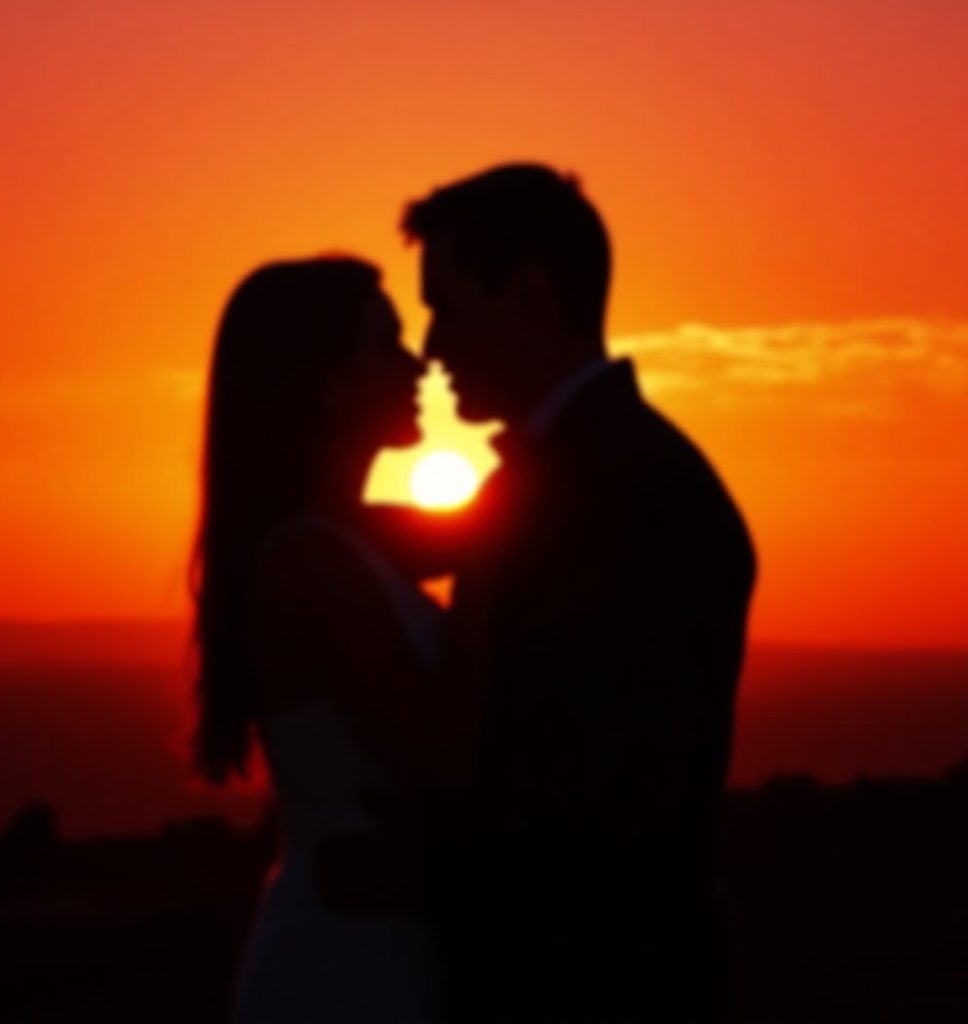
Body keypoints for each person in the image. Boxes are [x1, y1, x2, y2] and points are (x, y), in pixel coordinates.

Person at [403, 164, 757, 1022]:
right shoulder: (577, 478)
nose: (431, 347)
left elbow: (595, 799)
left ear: (528, 296)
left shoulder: (642, 495)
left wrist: (403, 865)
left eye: (447, 305)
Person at [190, 258, 441, 1023]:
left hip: (374, 941)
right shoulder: (311, 565)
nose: (420, 362)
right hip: (347, 963)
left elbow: (496, 529)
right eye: (389, 343)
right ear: (329, 386)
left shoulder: (343, 538)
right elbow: (441, 760)